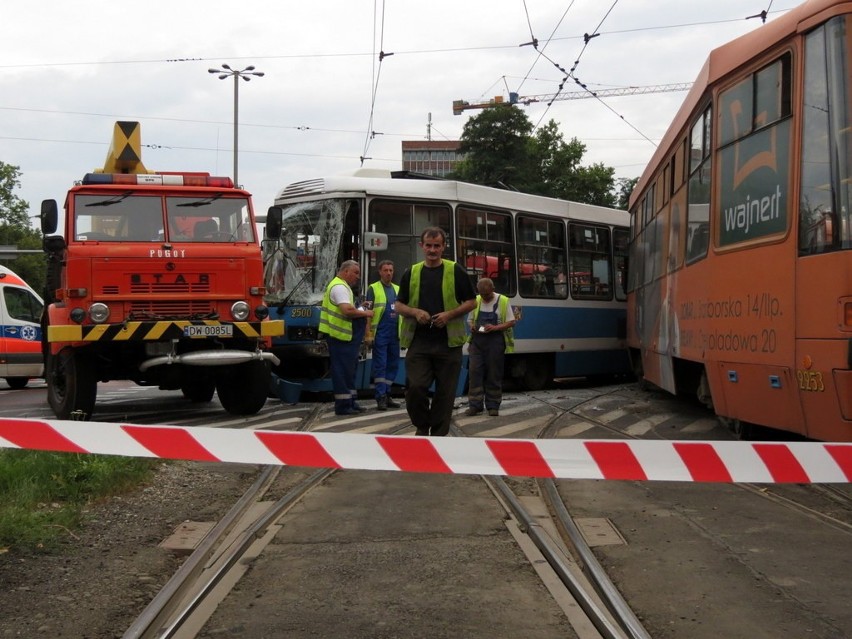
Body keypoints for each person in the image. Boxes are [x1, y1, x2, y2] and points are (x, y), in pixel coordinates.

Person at [395, 227, 477, 436]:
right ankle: (422, 425)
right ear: (422, 246)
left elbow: (471, 302)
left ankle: (438, 436)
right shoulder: (411, 272)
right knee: (415, 386)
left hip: (448, 343)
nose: (432, 250)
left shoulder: (455, 270)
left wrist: (448, 315)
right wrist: (415, 312)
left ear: (443, 247)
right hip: (419, 341)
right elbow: (398, 306)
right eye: (429, 246)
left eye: (437, 246)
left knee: (445, 393)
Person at [319, 260, 374, 416]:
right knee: (343, 371)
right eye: (355, 273)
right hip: (341, 337)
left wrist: (360, 306)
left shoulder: (342, 287)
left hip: (346, 338)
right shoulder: (339, 287)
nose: (357, 277)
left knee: (349, 371)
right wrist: (366, 313)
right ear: (345, 272)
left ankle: (350, 401)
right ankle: (343, 406)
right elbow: (347, 311)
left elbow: (348, 308)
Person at [466, 277, 516, 417]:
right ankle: (475, 405)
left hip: (495, 341)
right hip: (477, 342)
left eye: (487, 295)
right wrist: (472, 327)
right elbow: (469, 320)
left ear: (493, 290)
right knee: (474, 372)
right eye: (482, 294)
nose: (484, 297)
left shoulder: (503, 301)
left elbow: (511, 322)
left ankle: (493, 405)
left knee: (494, 373)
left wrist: (495, 327)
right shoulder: (476, 300)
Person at [366, 259, 402, 411]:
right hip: (380, 332)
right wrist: (368, 333)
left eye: (391, 270)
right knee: (380, 365)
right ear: (380, 272)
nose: (388, 273)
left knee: (393, 365)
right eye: (385, 270)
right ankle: (380, 397)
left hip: (394, 334)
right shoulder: (373, 288)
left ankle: (387, 394)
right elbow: (368, 313)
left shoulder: (397, 289)